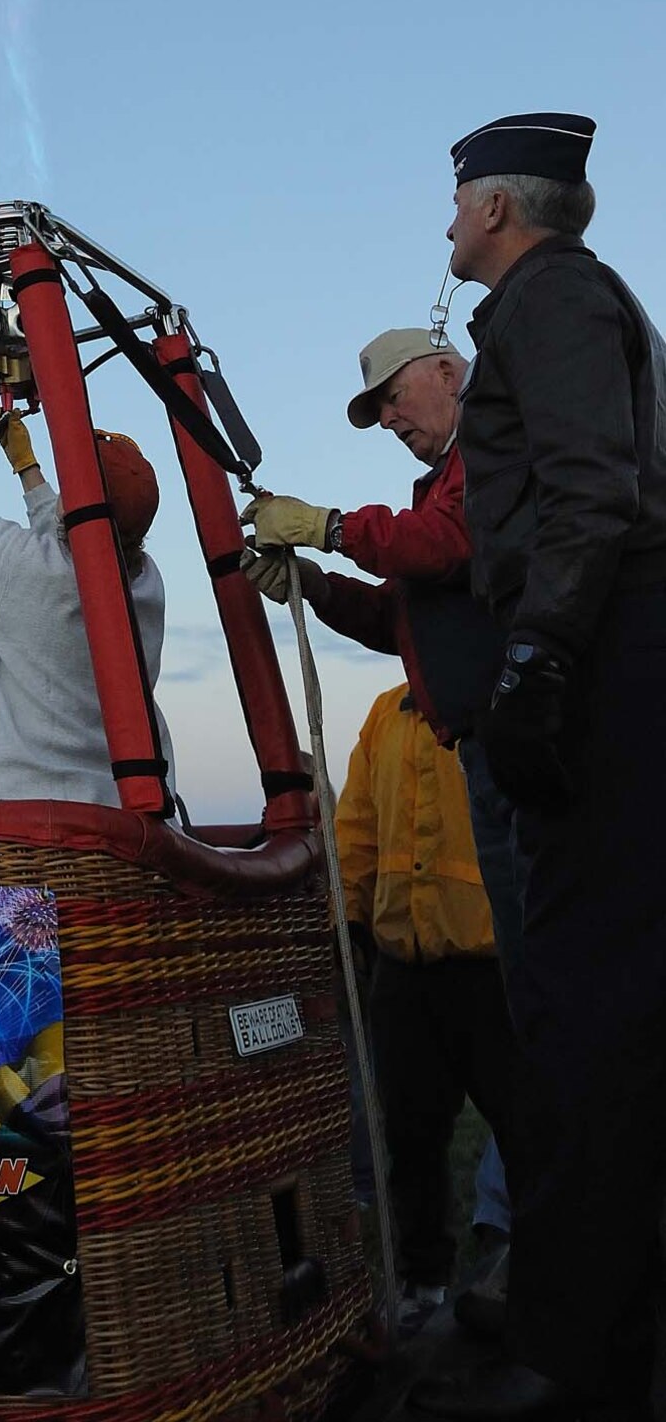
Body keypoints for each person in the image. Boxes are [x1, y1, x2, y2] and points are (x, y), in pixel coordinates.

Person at [412, 113, 666, 1419]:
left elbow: (587, 489)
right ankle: (596, 1335)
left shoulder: (549, 297)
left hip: (601, 670)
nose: (448, 227)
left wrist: (540, 663)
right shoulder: (569, 297)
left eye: (457, 206)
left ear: (498, 208)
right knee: (597, 1011)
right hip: (602, 659)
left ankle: (584, 1361)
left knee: (584, 1021)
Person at [238, 331, 517, 972]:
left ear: (449, 372)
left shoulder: (493, 448)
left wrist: (330, 529)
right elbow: (400, 619)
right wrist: (312, 586)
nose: (389, 419)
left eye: (393, 397)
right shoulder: (451, 478)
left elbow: (446, 541)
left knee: (540, 959)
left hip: (515, 739)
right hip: (494, 745)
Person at [335, 683, 515, 1333]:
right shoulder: (385, 713)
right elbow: (355, 822)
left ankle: (543, 1274)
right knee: (409, 1138)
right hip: (401, 970)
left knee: (527, 1129)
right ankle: (423, 1283)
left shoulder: (491, 702)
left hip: (491, 964)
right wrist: (350, 919)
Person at [0, 389, 175, 805]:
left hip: (39, 830)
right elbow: (80, 542)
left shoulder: (26, 572)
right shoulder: (147, 585)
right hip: (122, 809)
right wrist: (26, 467)